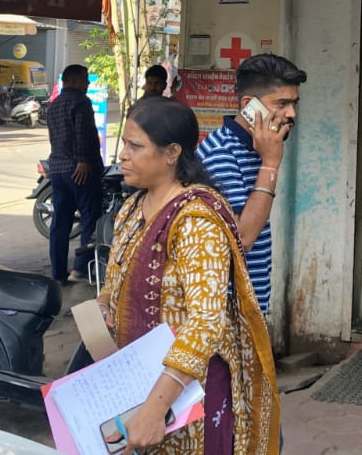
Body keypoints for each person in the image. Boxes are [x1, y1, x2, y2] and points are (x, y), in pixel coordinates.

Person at [98, 96, 279, 454]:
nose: (123, 155)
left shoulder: (196, 220)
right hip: (137, 384)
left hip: (186, 396)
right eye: (125, 144)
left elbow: (206, 322)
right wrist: (104, 304)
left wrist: (156, 407)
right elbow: (114, 280)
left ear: (171, 153)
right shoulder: (132, 209)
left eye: (135, 146)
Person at [198, 54, 306, 314]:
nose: (291, 114)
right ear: (249, 105)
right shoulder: (221, 153)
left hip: (248, 305)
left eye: (294, 103)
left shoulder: (253, 148)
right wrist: (270, 164)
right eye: (282, 103)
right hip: (224, 310)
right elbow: (242, 238)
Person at [46, 64, 104, 284]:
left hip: (58, 169)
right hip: (80, 170)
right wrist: (83, 160)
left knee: (60, 222)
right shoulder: (81, 102)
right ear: (72, 80)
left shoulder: (54, 105)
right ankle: (80, 268)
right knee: (90, 218)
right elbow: (83, 133)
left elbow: (54, 138)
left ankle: (58, 273)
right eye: (84, 79)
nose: (87, 83)